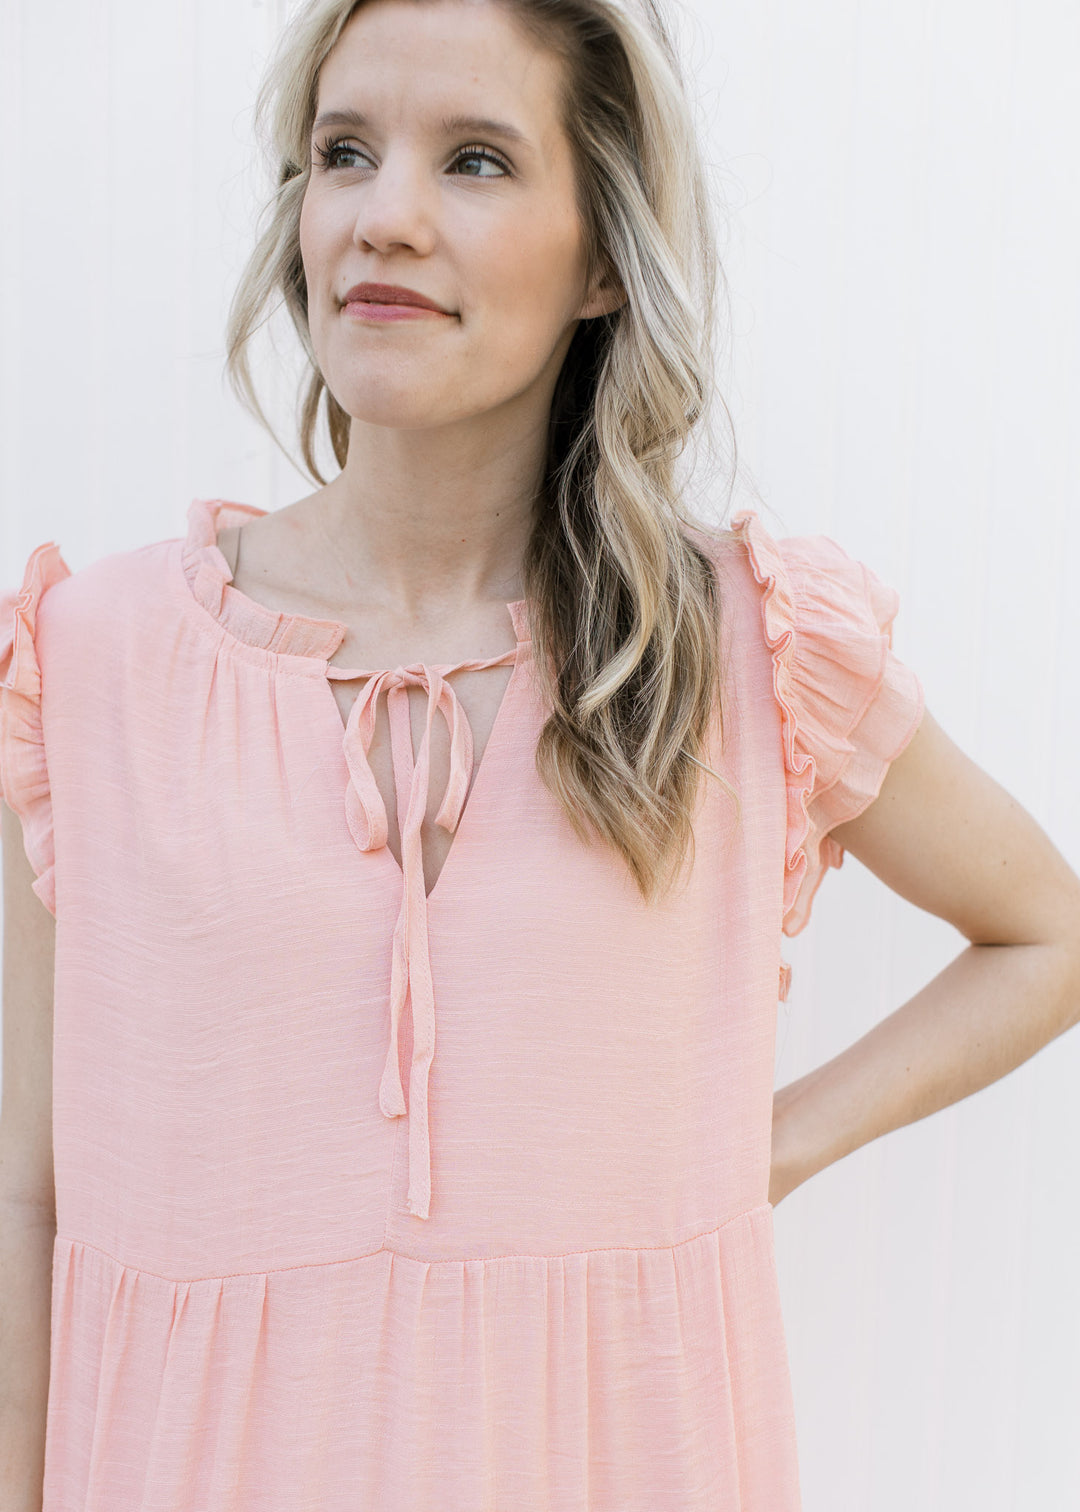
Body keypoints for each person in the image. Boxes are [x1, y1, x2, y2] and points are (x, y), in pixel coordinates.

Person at [1, 0, 1078, 1506]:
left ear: (601, 262)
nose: (384, 217)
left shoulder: (743, 651)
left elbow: (1047, 933)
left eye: (479, 161)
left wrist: (749, 1157)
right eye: (345, 152)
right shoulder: (91, 663)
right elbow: (27, 1197)